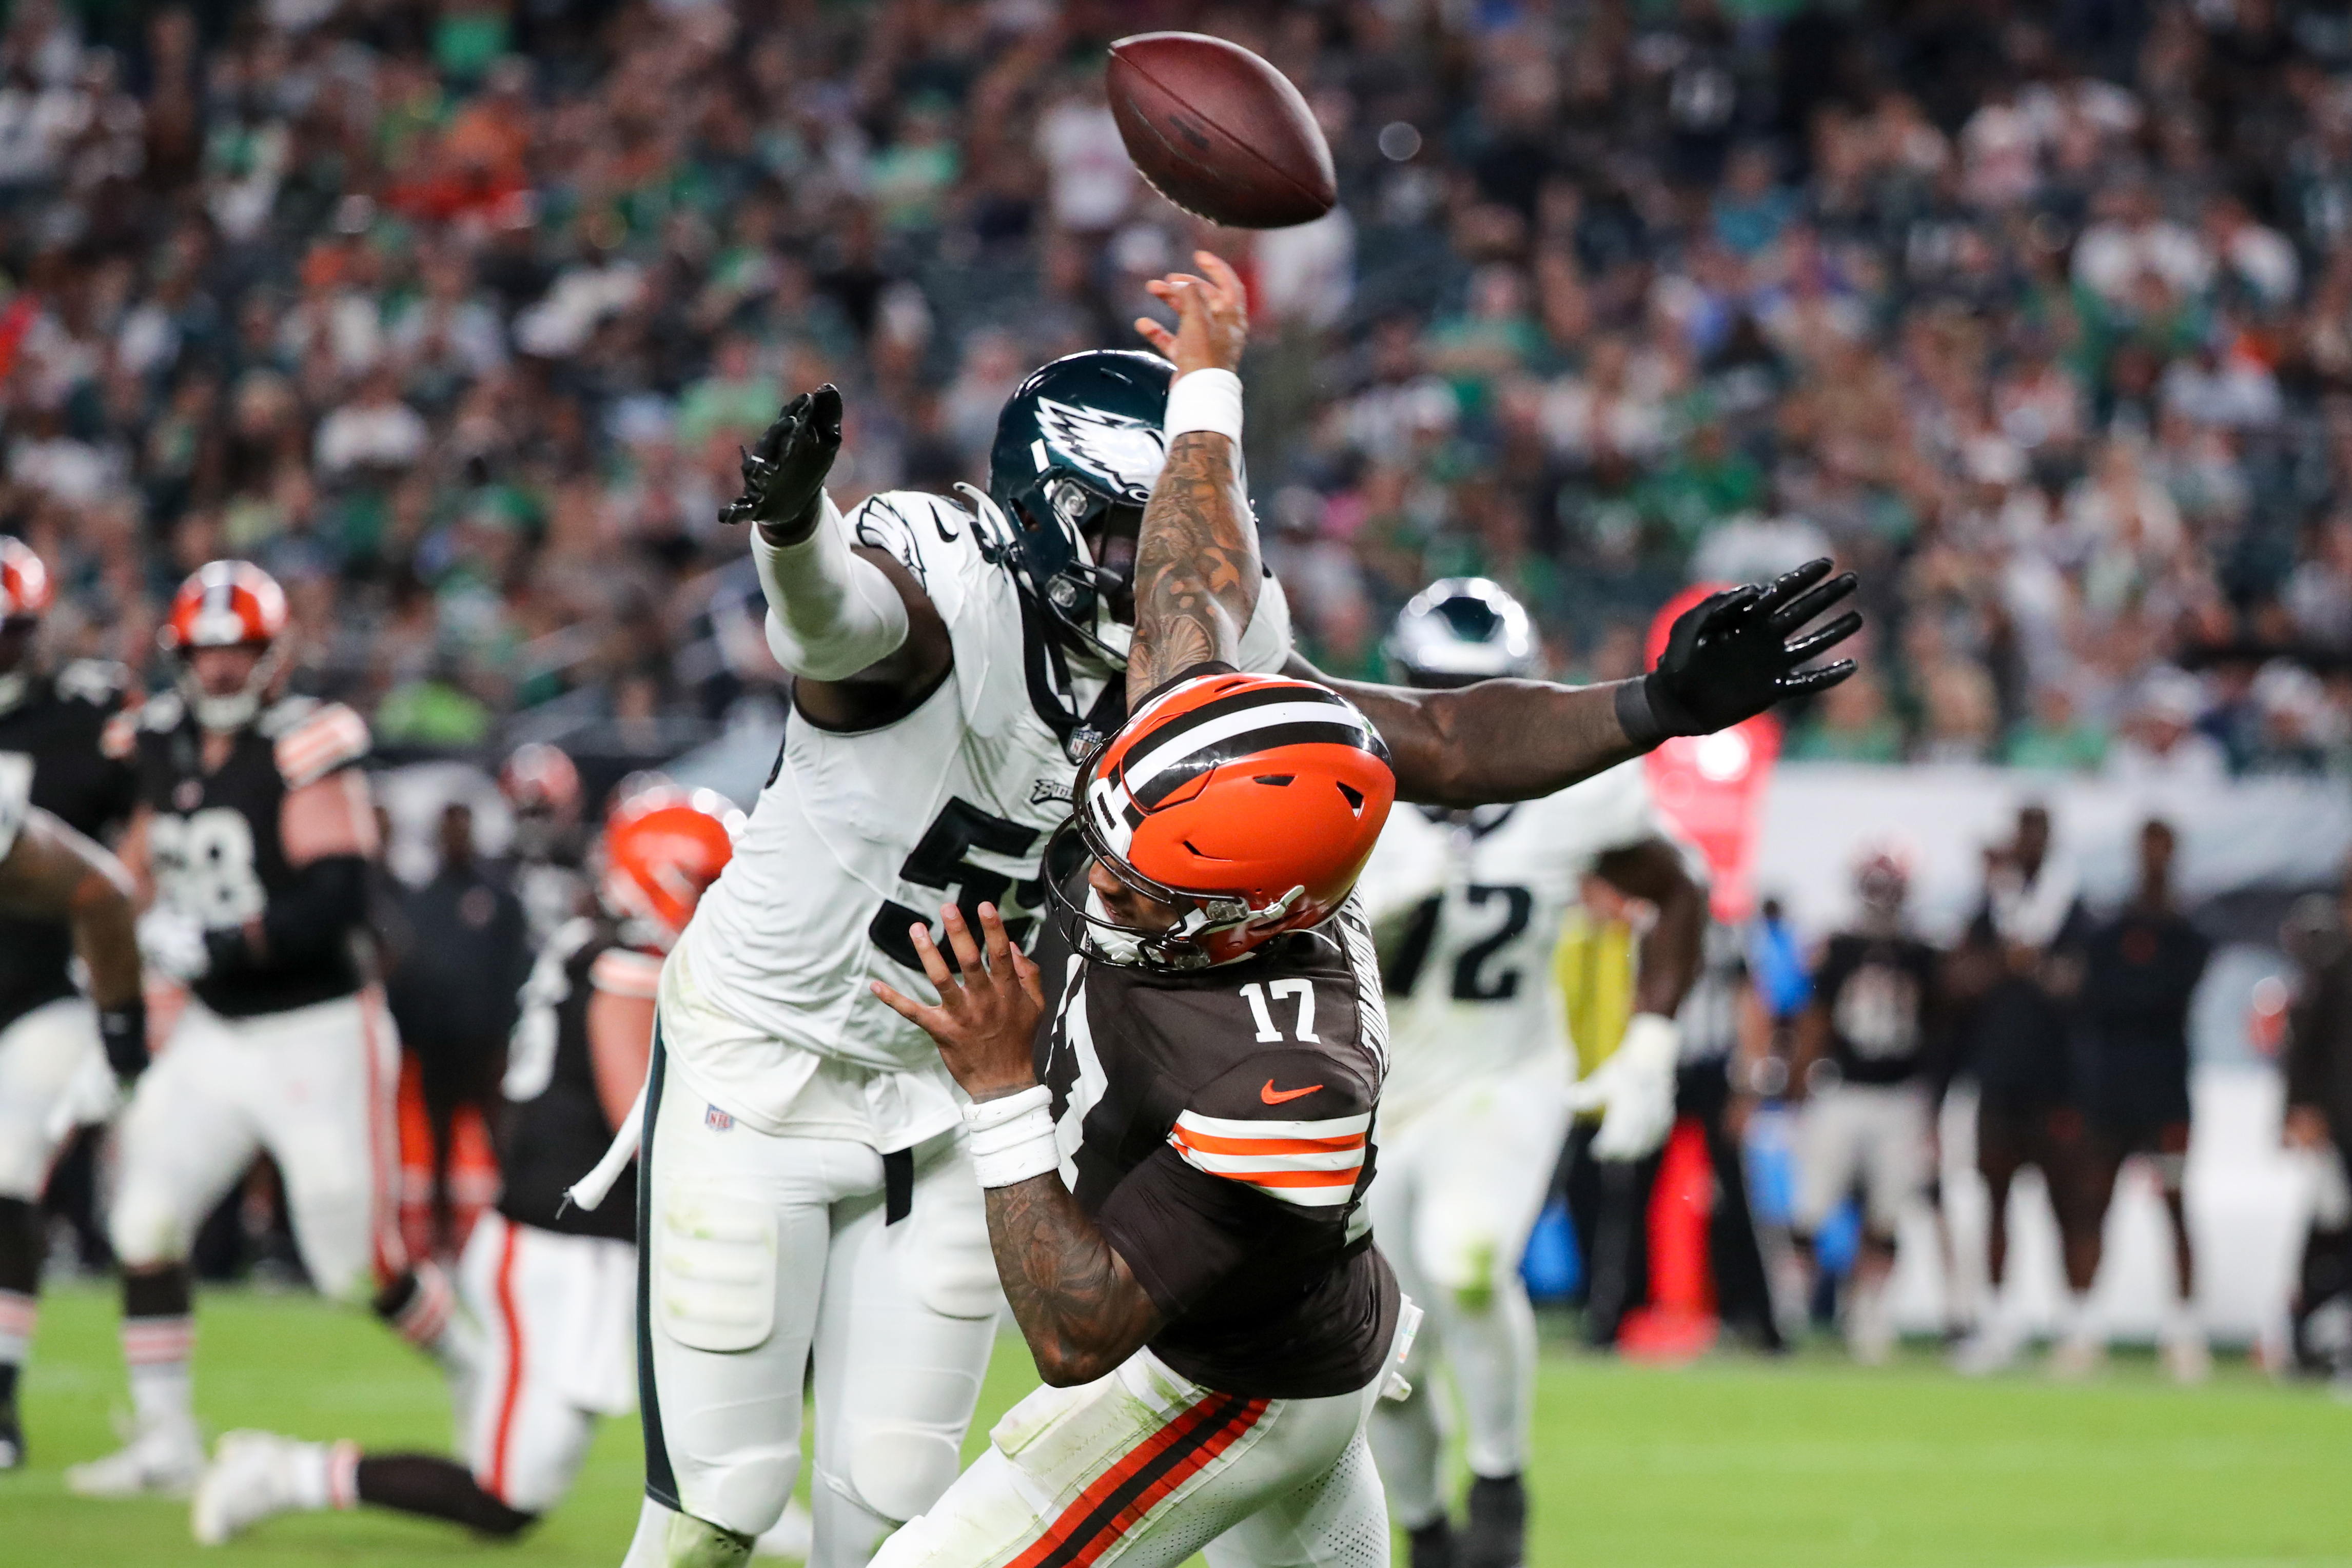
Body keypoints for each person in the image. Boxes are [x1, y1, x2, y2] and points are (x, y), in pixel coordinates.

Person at [615, 250, 1858, 1568]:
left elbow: (1423, 735)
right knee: (715, 1508)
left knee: (886, 1507)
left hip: (965, 1095)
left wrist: (1650, 711)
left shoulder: (1271, 1006)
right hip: (773, 1055)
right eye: (1120, 531)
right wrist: (794, 533)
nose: (1150, 568)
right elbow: (837, 629)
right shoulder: (1050, 618)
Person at [189, 785, 739, 1543]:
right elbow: (642, 1129)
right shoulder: (630, 969)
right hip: (559, 1255)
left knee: (735, 1364)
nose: (731, 904)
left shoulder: (595, 944)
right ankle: (282, 1473)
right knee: (507, 1500)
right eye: (715, 884)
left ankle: (752, 1508)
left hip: (575, 1246)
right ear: (668, 877)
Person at [69, 561, 473, 1498]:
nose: (218, 673)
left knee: (351, 1267)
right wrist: (107, 945)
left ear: (272, 657)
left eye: (238, 652)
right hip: (218, 1034)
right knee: (142, 1218)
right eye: (205, 654)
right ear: (179, 657)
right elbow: (131, 866)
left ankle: (476, 1363)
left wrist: (217, 941)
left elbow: (338, 893)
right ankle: (166, 1443)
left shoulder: (311, 739)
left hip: (315, 1028)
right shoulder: (158, 739)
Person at [1353, 578, 1706, 1568]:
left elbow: (1679, 890)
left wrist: (1652, 1039)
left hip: (1504, 1072)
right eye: (1431, 693)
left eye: (1478, 696)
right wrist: (1357, 915)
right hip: (1369, 1093)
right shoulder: (1342, 783)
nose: (1450, 722)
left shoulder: (1571, 792)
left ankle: (1500, 1485)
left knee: (1466, 1259)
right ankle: (1424, 1530)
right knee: (1378, 1348)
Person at [0, 536, 144, 1469]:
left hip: (44, 984)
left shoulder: (88, 713)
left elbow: (151, 826)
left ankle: (1, 1396)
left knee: (7, 1180)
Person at [1949, 804, 2098, 1377]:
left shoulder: (2072, 909)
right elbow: (1960, 979)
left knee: (2071, 1206)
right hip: (1999, 1075)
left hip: (2058, 1081)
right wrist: (2004, 964)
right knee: (1995, 1203)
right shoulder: (1994, 906)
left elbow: (2084, 987)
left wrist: (2030, 967)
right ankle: (1998, 1319)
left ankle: (2077, 1325)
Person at [1789, 844, 1946, 1363]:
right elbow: (1814, 1016)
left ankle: (1869, 1313)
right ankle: (1789, 1308)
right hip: (1842, 1088)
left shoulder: (1924, 952)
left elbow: (1939, 1031)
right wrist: (1801, 1080)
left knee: (1887, 1214)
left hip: (1900, 1095)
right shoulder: (1837, 947)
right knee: (1809, 1208)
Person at [2076, 819, 2212, 1382]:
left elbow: (2162, 994)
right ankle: (2084, 1325)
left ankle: (2183, 1330)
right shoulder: (2116, 929)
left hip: (2165, 1091)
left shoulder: (2187, 930)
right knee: (2095, 1205)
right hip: (2114, 1089)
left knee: (2176, 1204)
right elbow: (2103, 997)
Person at [385, 799, 531, 1254]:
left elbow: (515, 970)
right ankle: (444, 1237)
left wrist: (508, 1033)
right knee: (440, 1142)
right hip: (436, 1042)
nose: (456, 839)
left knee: (500, 1136)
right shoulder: (421, 900)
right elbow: (409, 974)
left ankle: (518, 1223)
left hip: (486, 1043)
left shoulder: (498, 899)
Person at [498, 741, 590, 950]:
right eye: (524, 813)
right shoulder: (495, 872)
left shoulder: (588, 869)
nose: (533, 826)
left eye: (541, 813)